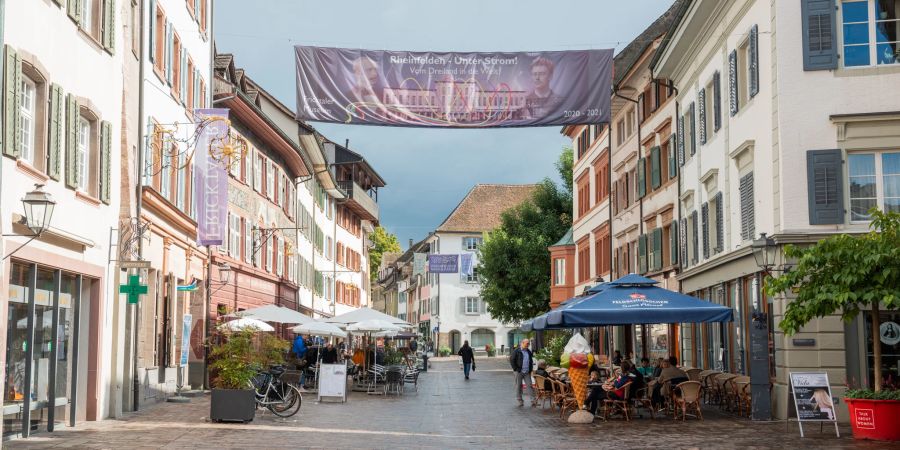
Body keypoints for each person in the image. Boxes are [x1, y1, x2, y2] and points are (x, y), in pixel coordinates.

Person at [510, 339, 535, 407]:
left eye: (528, 344)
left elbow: (530, 361)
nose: (528, 345)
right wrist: (515, 369)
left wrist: (530, 369)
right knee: (519, 386)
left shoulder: (528, 351)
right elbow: (512, 359)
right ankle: (520, 401)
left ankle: (533, 400)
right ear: (522, 343)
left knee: (529, 385)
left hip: (527, 372)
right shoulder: (517, 351)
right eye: (527, 343)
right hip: (519, 372)